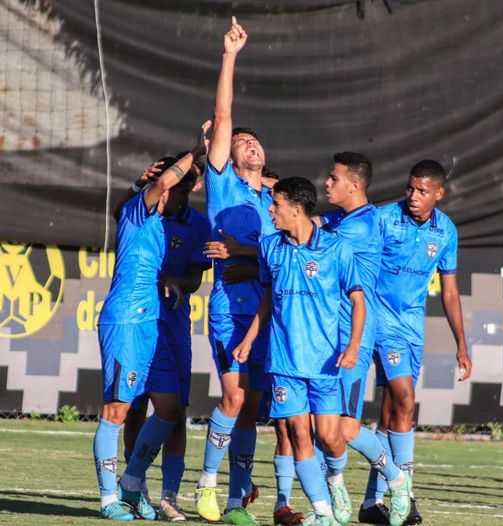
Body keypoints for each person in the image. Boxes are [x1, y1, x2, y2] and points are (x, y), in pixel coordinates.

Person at [233, 177, 366, 526]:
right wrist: (248, 339)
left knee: (330, 437)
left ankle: (335, 480)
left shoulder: (337, 249)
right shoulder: (270, 247)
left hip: (324, 360)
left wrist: (352, 346)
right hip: (283, 360)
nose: (270, 210)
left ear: (296, 207)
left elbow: (357, 299)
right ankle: (322, 512)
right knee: (297, 431)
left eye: (275, 204)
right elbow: (267, 298)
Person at [93, 136, 207, 521]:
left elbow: (189, 271)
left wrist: (174, 282)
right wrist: (197, 148)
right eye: (171, 186)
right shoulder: (137, 212)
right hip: (126, 319)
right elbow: (156, 186)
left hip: (153, 326)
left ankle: (132, 480)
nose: (174, 193)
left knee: (170, 409)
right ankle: (109, 500)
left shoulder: (164, 223)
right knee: (118, 410)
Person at [194, 17, 277, 526]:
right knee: (233, 395)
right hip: (231, 304)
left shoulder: (274, 200)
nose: (249, 144)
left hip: (267, 310)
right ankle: (206, 485)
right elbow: (223, 116)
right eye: (241, 141)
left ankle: (237, 498)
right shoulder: (224, 184)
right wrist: (230, 56)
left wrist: (247, 254)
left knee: (252, 408)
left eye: (254, 142)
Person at [359, 160, 473, 525]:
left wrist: (462, 345)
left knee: (393, 412)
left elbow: (450, 293)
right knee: (406, 399)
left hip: (412, 326)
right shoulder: (383, 218)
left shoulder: (446, 231)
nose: (413, 196)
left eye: (422, 191)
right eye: (410, 188)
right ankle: (403, 495)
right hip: (380, 322)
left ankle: (370, 504)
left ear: (439, 194)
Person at [317, 152, 411, 526]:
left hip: (350, 338)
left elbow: (310, 241)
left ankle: (397, 480)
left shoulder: (360, 227)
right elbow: (316, 222)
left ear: (353, 185)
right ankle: (333, 500)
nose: (327, 183)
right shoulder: (345, 217)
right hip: (324, 336)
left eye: (333, 178)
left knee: (346, 428)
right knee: (321, 427)